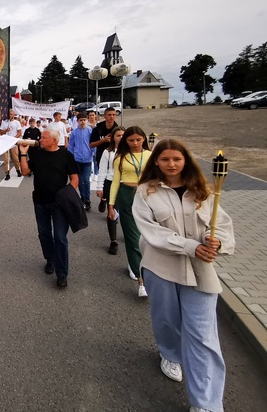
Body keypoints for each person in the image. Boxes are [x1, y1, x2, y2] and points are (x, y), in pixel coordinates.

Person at [133, 139, 234, 412]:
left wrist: (218, 242)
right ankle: (170, 354)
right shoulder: (145, 193)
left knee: (203, 337)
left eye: (176, 159)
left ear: (185, 160)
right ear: (156, 161)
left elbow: (222, 224)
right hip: (160, 269)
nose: (171, 164)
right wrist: (192, 246)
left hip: (200, 272)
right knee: (167, 322)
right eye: (165, 159)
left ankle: (206, 403)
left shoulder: (202, 191)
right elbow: (152, 233)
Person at [18, 129, 78, 288]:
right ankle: (50, 259)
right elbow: (25, 171)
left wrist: (68, 196)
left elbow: (74, 178)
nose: (40, 139)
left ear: (53, 140)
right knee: (44, 234)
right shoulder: (37, 154)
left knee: (60, 237)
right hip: (40, 202)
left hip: (59, 204)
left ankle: (62, 273)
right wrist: (23, 154)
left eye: (43, 137)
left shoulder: (66, 156)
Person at [108, 126, 152, 298]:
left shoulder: (151, 156)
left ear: (144, 139)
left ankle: (142, 267)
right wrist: (111, 205)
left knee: (146, 239)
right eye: (131, 140)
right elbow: (116, 182)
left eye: (138, 139)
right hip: (126, 196)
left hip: (147, 197)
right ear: (125, 141)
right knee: (133, 239)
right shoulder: (120, 158)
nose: (135, 143)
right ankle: (141, 280)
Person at [96, 126, 124, 255]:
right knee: (112, 212)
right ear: (113, 137)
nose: (121, 138)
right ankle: (113, 241)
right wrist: (99, 187)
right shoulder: (108, 152)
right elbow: (102, 170)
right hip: (111, 182)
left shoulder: (131, 152)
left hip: (126, 184)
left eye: (123, 135)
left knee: (126, 212)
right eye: (118, 135)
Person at [90, 107, 119, 211]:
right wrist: (103, 140)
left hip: (115, 156)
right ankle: (104, 198)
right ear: (105, 116)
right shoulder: (98, 128)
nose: (112, 117)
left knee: (112, 178)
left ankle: (109, 202)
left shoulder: (118, 129)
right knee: (104, 176)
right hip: (101, 154)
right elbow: (91, 145)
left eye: (113, 115)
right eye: (109, 115)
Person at [67, 113, 93, 210]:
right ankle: (82, 197)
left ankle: (87, 199)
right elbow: (70, 146)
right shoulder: (74, 132)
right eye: (80, 120)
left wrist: (93, 153)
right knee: (80, 181)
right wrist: (71, 156)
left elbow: (93, 143)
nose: (82, 122)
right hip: (77, 159)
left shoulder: (90, 131)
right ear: (77, 121)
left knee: (86, 180)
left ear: (87, 120)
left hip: (87, 159)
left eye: (84, 120)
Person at [0, 109, 22, 180]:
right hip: (5, 143)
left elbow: (19, 132)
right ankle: (7, 173)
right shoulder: (4, 122)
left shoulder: (17, 122)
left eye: (11, 114)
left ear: (14, 115)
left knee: (15, 158)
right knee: (6, 159)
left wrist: (14, 139)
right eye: (9, 114)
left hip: (13, 143)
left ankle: (18, 169)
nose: (10, 115)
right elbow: (1, 132)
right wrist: (6, 130)